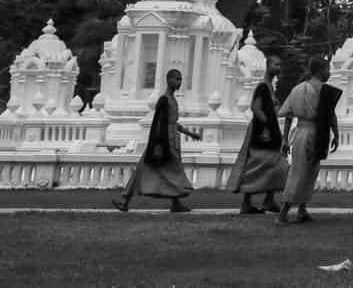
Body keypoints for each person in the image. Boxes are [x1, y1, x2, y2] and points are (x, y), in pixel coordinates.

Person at [113, 68, 202, 213]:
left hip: (171, 141)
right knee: (145, 170)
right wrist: (158, 145)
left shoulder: (172, 100)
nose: (179, 82)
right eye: (176, 79)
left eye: (180, 79)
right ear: (169, 80)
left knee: (173, 170)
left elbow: (173, 123)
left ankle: (176, 203)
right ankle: (125, 200)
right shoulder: (164, 100)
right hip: (161, 142)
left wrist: (190, 134)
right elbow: (159, 123)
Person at [278, 55, 337, 224]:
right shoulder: (324, 90)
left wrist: (285, 139)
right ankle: (283, 213)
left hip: (300, 133)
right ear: (320, 71)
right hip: (315, 133)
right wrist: (336, 134)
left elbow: (288, 115)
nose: (330, 73)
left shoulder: (297, 89)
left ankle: (302, 210)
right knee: (300, 172)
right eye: (328, 69)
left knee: (309, 172)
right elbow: (330, 115)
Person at [224, 64, 287, 216]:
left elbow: (272, 110)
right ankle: (246, 202)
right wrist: (266, 125)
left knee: (277, 164)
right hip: (261, 130)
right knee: (256, 164)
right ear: (268, 66)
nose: (278, 67)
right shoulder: (262, 87)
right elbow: (255, 107)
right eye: (275, 64)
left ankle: (269, 199)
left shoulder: (270, 87)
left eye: (279, 64)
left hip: (270, 130)